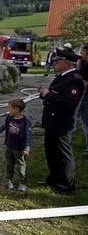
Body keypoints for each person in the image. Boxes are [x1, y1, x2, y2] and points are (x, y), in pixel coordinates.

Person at [37, 49, 85, 195]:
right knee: (51, 152)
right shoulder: (61, 77)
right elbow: (54, 94)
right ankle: (54, 179)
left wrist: (48, 95)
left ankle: (66, 185)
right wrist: (44, 94)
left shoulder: (74, 79)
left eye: (57, 62)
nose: (54, 64)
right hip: (52, 121)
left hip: (62, 122)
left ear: (66, 63)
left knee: (63, 155)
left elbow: (68, 102)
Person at [0, 98, 32, 192]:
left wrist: (26, 148)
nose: (8, 110)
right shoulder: (9, 118)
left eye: (10, 108)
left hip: (19, 149)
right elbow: (4, 126)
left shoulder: (25, 123)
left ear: (17, 109)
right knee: (9, 164)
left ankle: (23, 183)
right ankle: (9, 181)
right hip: (9, 147)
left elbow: (28, 136)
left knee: (21, 166)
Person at [77, 44, 88, 159]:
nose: (81, 53)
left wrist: (79, 99)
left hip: (86, 98)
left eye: (82, 51)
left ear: (86, 52)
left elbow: (84, 83)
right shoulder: (85, 65)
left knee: (86, 124)